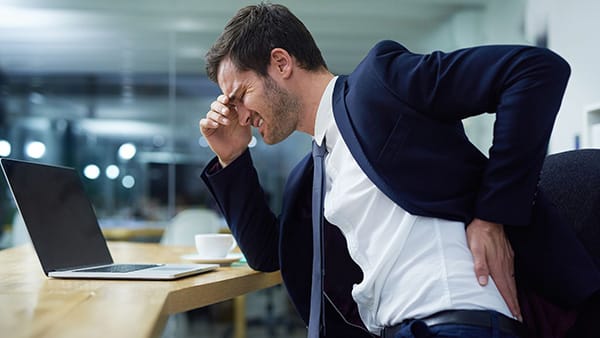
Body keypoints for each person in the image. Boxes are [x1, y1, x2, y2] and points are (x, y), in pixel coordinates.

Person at [198, 3, 600, 338]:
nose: (239, 113)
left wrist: (493, 214)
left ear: (281, 63)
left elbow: (534, 70)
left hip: (453, 319)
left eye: (240, 94)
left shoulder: (379, 84)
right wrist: (233, 156)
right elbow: (268, 253)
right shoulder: (313, 174)